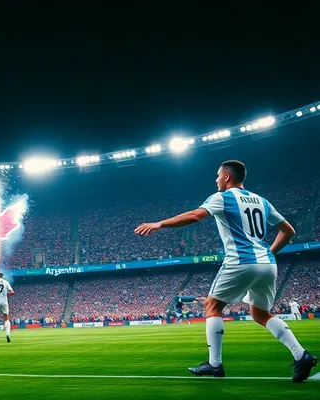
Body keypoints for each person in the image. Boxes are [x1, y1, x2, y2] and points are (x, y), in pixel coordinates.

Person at [135, 160, 317, 382]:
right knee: (260, 314)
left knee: (212, 306)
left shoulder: (222, 197)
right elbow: (288, 231)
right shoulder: (262, 201)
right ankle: (301, 355)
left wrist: (160, 224)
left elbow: (195, 216)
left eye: (218, 176)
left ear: (227, 177)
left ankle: (215, 364)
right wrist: (268, 253)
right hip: (267, 264)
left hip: (240, 261)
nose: (216, 180)